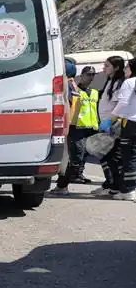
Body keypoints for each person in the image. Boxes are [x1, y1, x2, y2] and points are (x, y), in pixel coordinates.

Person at [49, 63, 99, 195]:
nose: (91, 77)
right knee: (73, 157)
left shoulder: (86, 90)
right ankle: (62, 184)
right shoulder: (74, 88)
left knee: (75, 157)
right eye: (89, 74)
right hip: (75, 127)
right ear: (80, 75)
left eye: (93, 75)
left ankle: (65, 183)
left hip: (86, 127)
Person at [92, 55, 127, 196]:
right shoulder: (110, 81)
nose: (104, 68)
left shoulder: (120, 83)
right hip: (105, 123)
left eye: (107, 66)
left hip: (112, 125)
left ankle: (115, 187)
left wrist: (111, 122)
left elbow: (120, 105)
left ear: (116, 67)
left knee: (113, 157)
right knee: (105, 157)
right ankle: (109, 184)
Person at [107, 58, 136, 201]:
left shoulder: (130, 82)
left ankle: (128, 190)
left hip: (130, 124)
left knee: (129, 157)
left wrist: (111, 119)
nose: (125, 70)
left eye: (127, 68)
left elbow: (123, 103)